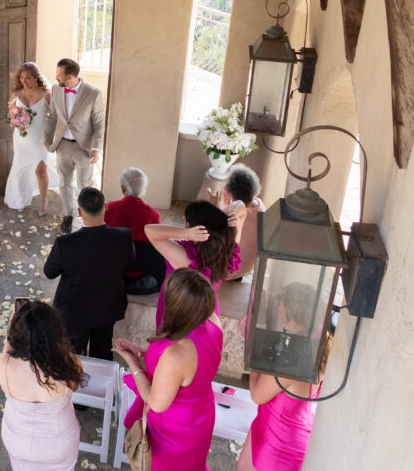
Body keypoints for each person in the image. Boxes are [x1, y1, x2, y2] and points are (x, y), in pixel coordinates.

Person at [113, 268, 223, 470]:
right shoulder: (214, 323)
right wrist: (144, 353)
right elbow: (193, 368)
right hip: (201, 414)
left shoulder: (175, 354)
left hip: (174, 430)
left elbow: (155, 402)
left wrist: (134, 364)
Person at [238, 285, 327, 471]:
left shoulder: (290, 362)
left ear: (287, 311)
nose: (277, 309)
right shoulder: (314, 347)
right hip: (286, 429)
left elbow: (257, 394)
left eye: (279, 304)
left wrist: (251, 346)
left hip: (277, 445)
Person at [44, 187, 136, 360]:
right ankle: (102, 385)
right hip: (107, 307)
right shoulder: (123, 236)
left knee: (71, 356)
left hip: (73, 311)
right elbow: (129, 264)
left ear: (79, 212)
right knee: (102, 351)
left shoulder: (65, 243)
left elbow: (50, 272)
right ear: (106, 207)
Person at [0, 300, 84, 470]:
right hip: (59, 442)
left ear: (17, 335)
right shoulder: (69, 363)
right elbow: (75, 385)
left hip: (18, 441)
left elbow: (7, 353)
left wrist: (10, 332)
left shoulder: (3, 367)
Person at [147, 200, 241, 326]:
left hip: (180, 315)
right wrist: (232, 215)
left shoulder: (186, 258)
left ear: (190, 226)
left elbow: (149, 230)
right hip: (209, 314)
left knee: (169, 346)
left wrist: (184, 233)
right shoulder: (228, 251)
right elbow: (241, 205)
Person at [43, 57, 105, 234]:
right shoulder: (56, 90)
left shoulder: (94, 93)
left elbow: (99, 123)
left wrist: (96, 148)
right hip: (62, 144)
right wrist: (47, 138)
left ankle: (88, 218)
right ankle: (67, 215)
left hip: (84, 147)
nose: (56, 78)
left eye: (59, 76)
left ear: (69, 77)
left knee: (84, 184)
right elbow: (52, 116)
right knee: (65, 182)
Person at [4, 62, 58, 215]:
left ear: (36, 78)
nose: (24, 81)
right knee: (20, 169)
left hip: (39, 139)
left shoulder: (47, 94)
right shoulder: (16, 93)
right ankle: (20, 199)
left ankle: (43, 200)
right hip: (21, 138)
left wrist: (51, 138)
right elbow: (11, 114)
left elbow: (54, 118)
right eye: (21, 78)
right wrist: (17, 123)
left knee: (40, 171)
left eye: (28, 78)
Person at [104, 167, 165, 295]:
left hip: (113, 271)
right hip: (143, 273)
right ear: (143, 190)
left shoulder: (108, 209)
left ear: (122, 188)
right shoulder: (153, 215)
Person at [209, 164, 265, 280]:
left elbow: (212, 233)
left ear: (229, 193)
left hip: (227, 271)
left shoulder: (231, 215)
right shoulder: (261, 206)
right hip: (247, 268)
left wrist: (214, 207)